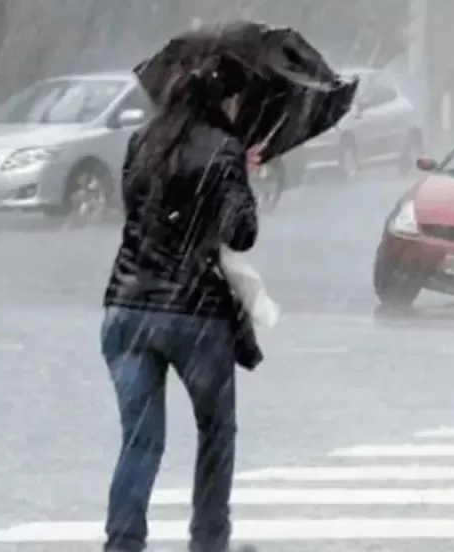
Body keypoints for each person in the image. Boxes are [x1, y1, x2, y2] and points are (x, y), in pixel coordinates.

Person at [101, 57, 260, 552]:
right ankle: (208, 539)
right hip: (194, 315)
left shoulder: (141, 143)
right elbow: (242, 233)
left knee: (140, 440)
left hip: (127, 308)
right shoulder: (224, 149)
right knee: (216, 431)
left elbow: (141, 214)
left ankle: (123, 543)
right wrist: (240, 178)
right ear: (223, 101)